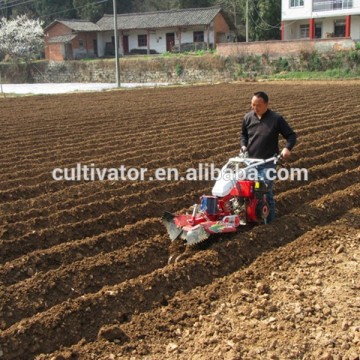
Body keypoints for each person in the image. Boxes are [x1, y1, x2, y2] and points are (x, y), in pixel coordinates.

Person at [240, 91, 297, 223]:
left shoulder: (276, 119)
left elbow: (291, 135)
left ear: (266, 104)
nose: (254, 108)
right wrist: (243, 145)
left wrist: (287, 148)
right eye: (252, 104)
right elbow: (243, 135)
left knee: (263, 191)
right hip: (250, 162)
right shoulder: (248, 117)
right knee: (246, 191)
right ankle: (250, 219)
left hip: (268, 163)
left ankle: (270, 224)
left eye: (258, 105)